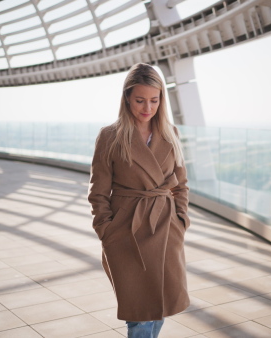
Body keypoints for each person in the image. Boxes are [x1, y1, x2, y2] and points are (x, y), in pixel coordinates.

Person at [88, 63, 190, 338]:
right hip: (126, 230)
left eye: (154, 100)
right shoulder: (110, 136)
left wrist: (181, 220)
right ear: (126, 98)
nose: (147, 108)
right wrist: (106, 230)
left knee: (157, 307)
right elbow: (98, 192)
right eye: (140, 100)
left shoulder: (171, 134)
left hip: (166, 227)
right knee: (139, 313)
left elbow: (181, 184)